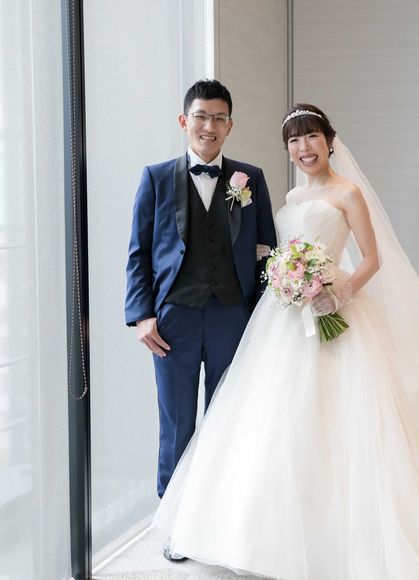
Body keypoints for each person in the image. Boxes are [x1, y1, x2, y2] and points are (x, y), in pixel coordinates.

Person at [154, 104, 419, 579]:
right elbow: (274, 250)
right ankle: (255, 531)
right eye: (293, 141)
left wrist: (336, 294)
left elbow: (372, 259)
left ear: (329, 140)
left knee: (342, 420)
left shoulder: (348, 192)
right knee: (270, 417)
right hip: (283, 317)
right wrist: (287, 278)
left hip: (334, 310)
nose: (303, 148)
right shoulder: (292, 196)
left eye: (311, 137)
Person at [124, 79, 277, 539]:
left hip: (233, 316)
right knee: (176, 422)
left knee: (229, 418)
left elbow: (266, 250)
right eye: (201, 116)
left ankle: (221, 522)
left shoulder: (250, 179)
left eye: (219, 118)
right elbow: (139, 252)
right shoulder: (156, 177)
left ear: (230, 125)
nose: (209, 126)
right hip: (174, 318)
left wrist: (263, 315)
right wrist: (142, 314)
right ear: (184, 121)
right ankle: (174, 526)